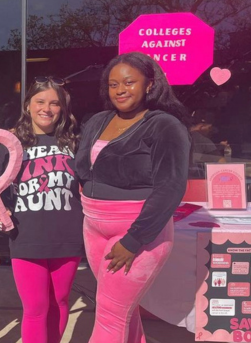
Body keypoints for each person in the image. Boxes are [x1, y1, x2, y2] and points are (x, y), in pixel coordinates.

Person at [75, 52, 191, 343]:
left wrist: (133, 239)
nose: (120, 90)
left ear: (150, 84)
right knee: (122, 309)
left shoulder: (164, 125)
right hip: (94, 229)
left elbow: (171, 187)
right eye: (113, 84)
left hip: (136, 233)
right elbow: (84, 168)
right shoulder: (98, 121)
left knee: (110, 315)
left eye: (129, 82)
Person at [0, 77, 84, 343]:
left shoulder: (75, 142)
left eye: (54, 103)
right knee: (35, 308)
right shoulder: (11, 142)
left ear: (62, 108)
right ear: (28, 105)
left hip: (67, 235)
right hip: (26, 236)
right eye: (40, 101)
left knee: (60, 301)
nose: (47, 108)